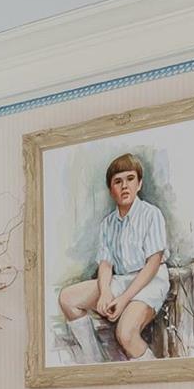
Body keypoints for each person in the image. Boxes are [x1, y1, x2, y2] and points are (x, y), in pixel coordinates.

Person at [57, 151, 169, 361]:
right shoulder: (108, 224)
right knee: (67, 298)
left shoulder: (151, 214)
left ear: (139, 183)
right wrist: (106, 291)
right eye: (118, 181)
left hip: (150, 281)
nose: (124, 186)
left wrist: (123, 299)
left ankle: (153, 371)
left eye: (130, 179)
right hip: (122, 281)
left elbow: (153, 264)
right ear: (111, 190)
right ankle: (94, 362)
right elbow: (106, 264)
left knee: (125, 334)